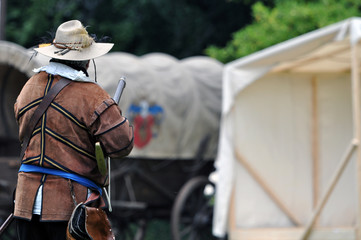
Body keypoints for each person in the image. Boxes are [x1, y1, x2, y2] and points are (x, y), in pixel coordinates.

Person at [13, 20, 134, 240]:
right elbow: (122, 145)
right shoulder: (93, 96)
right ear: (86, 60)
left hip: (25, 204)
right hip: (70, 208)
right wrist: (116, 115)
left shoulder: (28, 87)